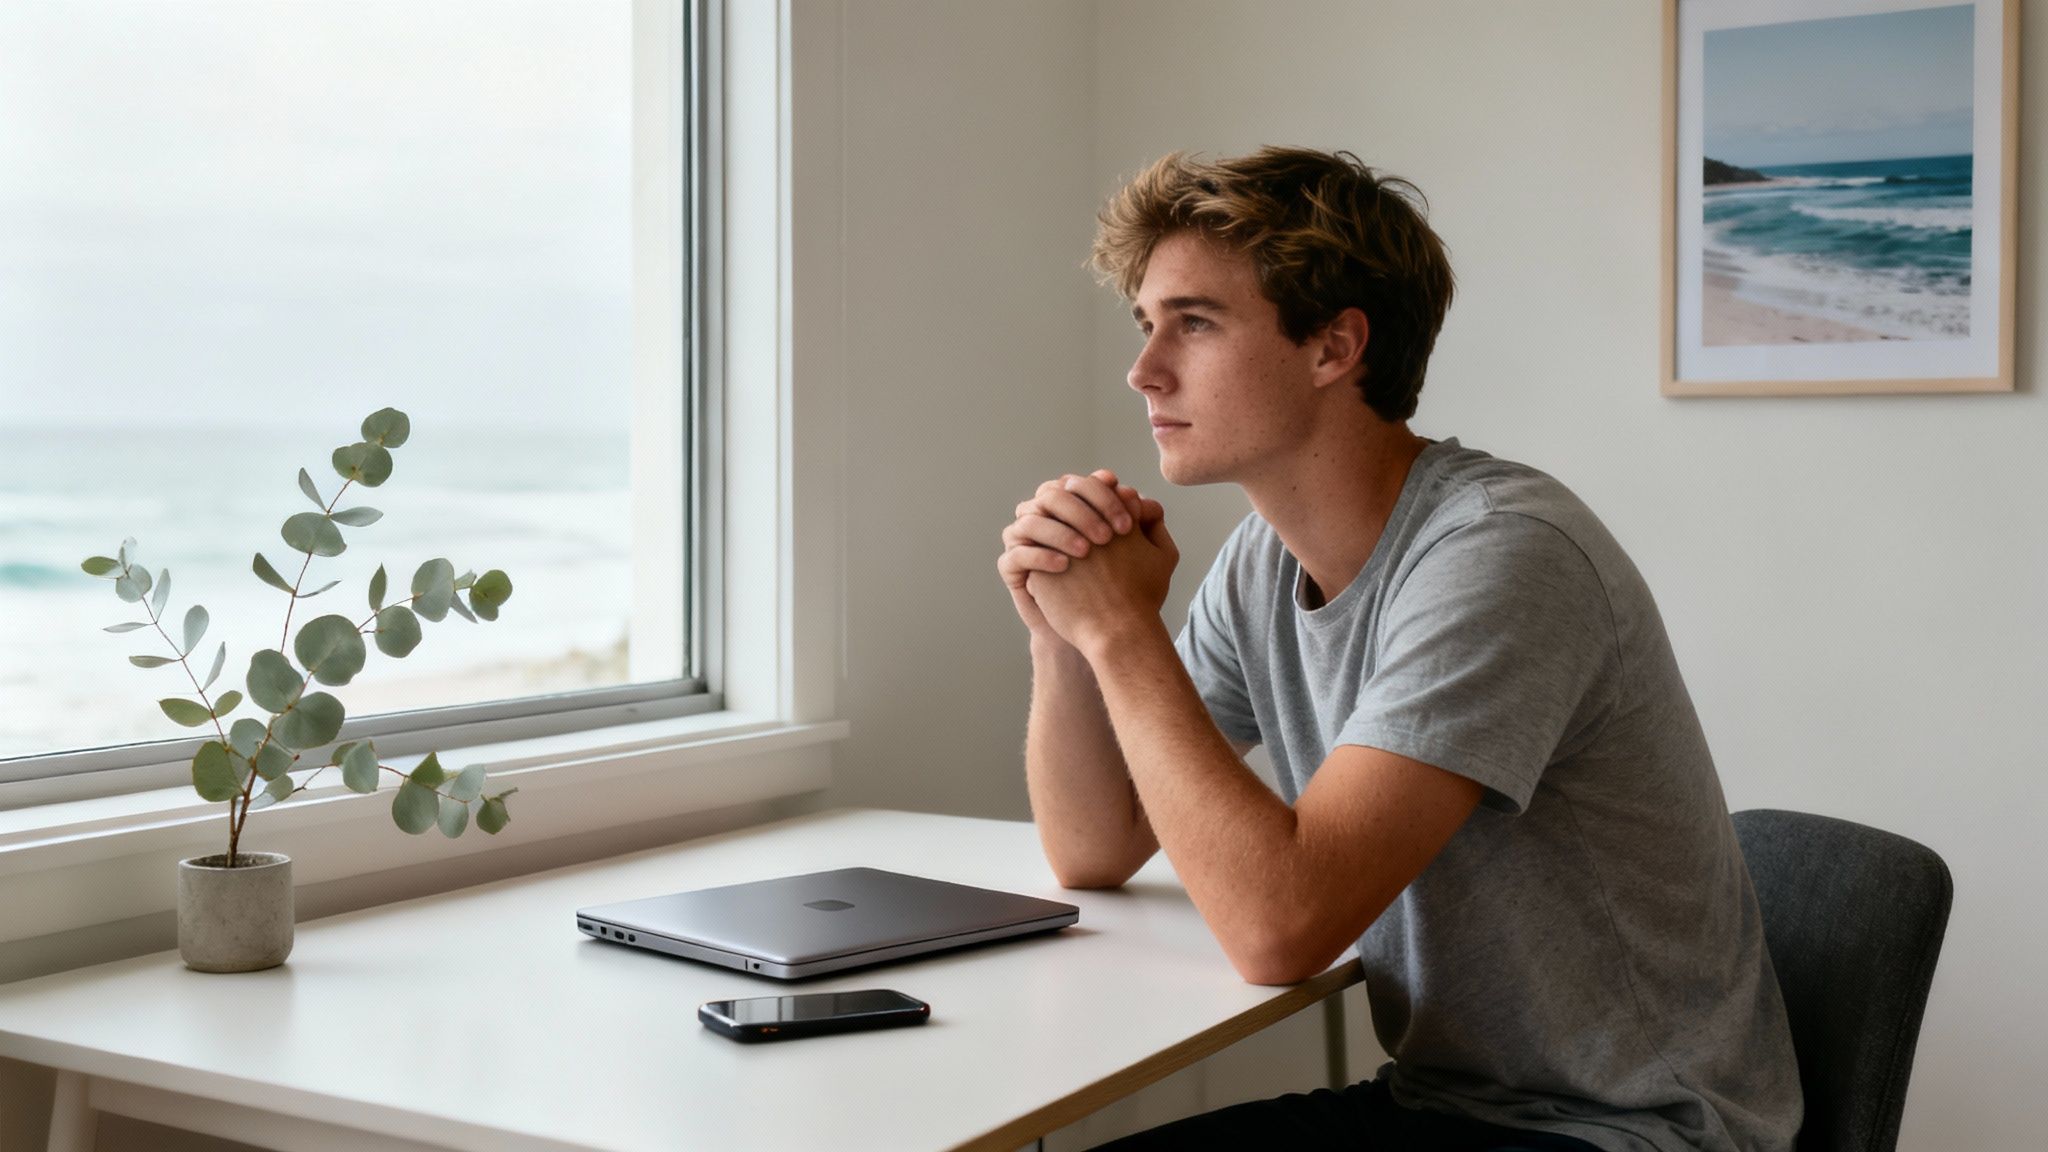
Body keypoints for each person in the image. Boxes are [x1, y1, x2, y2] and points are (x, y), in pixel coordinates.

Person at [995, 147, 1801, 1152]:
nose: (1143, 367)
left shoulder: (1503, 556)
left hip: (1630, 1131)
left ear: (1333, 348)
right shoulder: (1261, 559)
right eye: (1145, 322)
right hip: (1442, 1106)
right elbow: (1094, 846)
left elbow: (1278, 928)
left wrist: (1122, 633)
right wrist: (1063, 631)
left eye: (1192, 323)